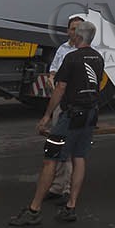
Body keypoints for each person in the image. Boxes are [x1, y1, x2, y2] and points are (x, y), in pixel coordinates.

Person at [9, 17, 103, 226]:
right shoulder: (98, 57)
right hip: (90, 114)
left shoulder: (71, 58)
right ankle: (71, 206)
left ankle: (34, 210)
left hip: (70, 115)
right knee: (79, 157)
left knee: (50, 159)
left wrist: (46, 116)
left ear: (78, 36)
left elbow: (60, 88)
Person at [42, 16, 80, 204]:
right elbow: (53, 71)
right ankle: (57, 186)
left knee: (69, 146)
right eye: (72, 28)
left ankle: (66, 189)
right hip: (60, 101)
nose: (75, 32)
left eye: (79, 28)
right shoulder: (62, 49)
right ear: (67, 31)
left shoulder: (86, 51)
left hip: (74, 104)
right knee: (56, 143)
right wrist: (51, 79)